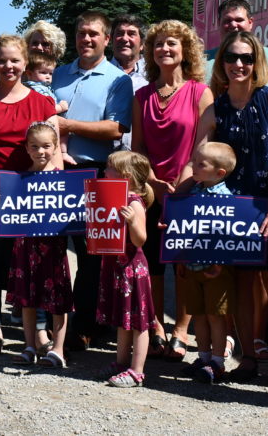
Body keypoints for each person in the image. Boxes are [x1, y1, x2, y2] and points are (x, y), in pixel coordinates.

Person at [191, 30, 268, 385]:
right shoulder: (214, 109)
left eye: (246, 58)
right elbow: (197, 160)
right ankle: (248, 358)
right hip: (230, 211)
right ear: (221, 62)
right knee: (241, 284)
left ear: (257, 63)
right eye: (231, 58)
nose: (238, 64)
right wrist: (178, 207)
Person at [0, 34, 58, 355]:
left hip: (28, 199)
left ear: (25, 64)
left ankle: (41, 331)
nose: (8, 66)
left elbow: (54, 152)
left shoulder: (43, 103)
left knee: (35, 265)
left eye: (15, 60)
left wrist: (50, 194)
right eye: (2, 60)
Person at [52, 11, 135, 350]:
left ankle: (85, 326)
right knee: (54, 252)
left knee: (92, 259)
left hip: (98, 173)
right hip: (59, 174)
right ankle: (51, 324)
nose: (87, 39)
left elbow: (116, 128)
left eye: (94, 34)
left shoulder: (117, 80)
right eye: (82, 33)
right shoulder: (58, 75)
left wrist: (67, 125)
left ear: (105, 39)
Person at [131, 19, 212, 362]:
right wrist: (152, 183)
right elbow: (137, 148)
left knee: (183, 265)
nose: (165, 49)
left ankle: (181, 330)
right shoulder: (142, 95)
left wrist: (182, 185)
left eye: (172, 44)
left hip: (188, 189)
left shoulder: (200, 92)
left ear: (186, 51)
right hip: (150, 191)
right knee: (150, 264)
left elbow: (204, 146)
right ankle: (154, 326)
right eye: (159, 44)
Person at [0, 121, 72, 369]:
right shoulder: (17, 180)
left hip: (54, 249)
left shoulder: (65, 180)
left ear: (55, 147)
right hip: (26, 247)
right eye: (35, 147)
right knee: (27, 298)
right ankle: (29, 346)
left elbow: (77, 213)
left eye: (47, 146)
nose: (41, 151)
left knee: (58, 300)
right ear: (27, 148)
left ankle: (58, 349)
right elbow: (8, 213)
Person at [176, 142, 237, 383]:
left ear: (219, 173)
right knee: (198, 314)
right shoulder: (193, 192)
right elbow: (184, 229)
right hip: (192, 265)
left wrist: (220, 262)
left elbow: (229, 235)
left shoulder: (226, 199)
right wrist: (180, 258)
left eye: (201, 164)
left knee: (215, 316)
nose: (194, 167)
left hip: (215, 270)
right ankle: (202, 357)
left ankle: (218, 362)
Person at [96, 150, 155, 387]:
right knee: (123, 318)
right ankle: (121, 362)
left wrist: (132, 222)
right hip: (116, 265)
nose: (104, 171)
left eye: (110, 168)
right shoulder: (113, 197)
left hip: (132, 268)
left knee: (139, 322)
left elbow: (140, 240)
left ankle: (136, 370)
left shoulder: (134, 203)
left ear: (125, 176)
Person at [205, 0, 268, 122]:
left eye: (239, 20)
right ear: (219, 23)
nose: (233, 25)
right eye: (227, 20)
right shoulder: (201, 62)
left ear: (250, 22)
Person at [24, 51, 72, 165]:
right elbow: (44, 108)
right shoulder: (36, 88)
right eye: (43, 72)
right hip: (44, 123)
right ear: (29, 73)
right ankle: (62, 153)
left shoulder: (45, 87)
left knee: (64, 132)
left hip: (51, 121)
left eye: (50, 73)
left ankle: (63, 153)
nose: (48, 76)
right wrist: (60, 107)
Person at [109, 14, 148, 151]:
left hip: (141, 158)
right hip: (103, 158)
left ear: (142, 44)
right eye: (119, 34)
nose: (124, 38)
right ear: (111, 40)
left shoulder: (154, 77)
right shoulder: (100, 74)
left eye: (131, 34)